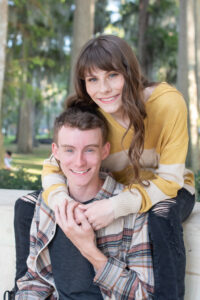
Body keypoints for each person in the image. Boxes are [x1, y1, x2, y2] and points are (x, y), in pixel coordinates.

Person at [41, 35, 195, 300]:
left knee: (161, 216)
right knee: (33, 205)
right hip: (116, 193)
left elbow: (170, 180)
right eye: (92, 80)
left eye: (112, 75)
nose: (104, 89)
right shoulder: (93, 115)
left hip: (168, 192)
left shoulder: (168, 103)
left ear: (129, 72)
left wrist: (115, 207)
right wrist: (61, 201)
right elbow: (53, 166)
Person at [15, 103, 154, 300]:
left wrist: (89, 250)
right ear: (56, 151)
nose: (79, 162)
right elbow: (35, 280)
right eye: (69, 150)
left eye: (89, 150)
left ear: (104, 151)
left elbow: (144, 295)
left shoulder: (129, 209)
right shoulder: (47, 204)